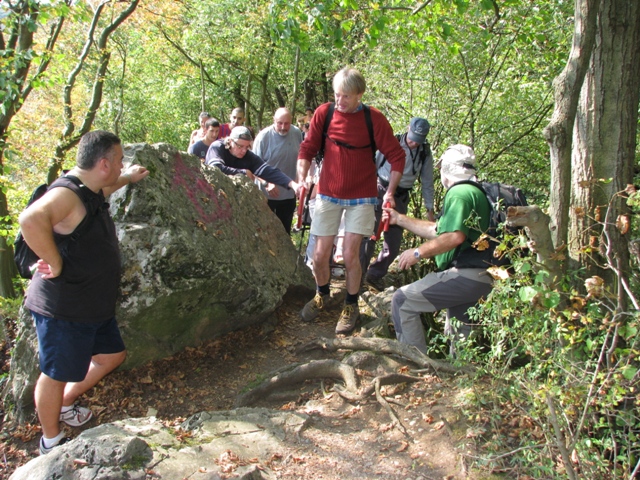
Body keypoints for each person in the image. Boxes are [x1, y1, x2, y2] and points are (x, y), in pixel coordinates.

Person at [19, 130, 149, 455]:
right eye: (119, 161)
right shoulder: (67, 194)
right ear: (103, 163)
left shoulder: (91, 187)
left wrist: (129, 177)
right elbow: (31, 218)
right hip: (64, 308)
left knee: (112, 357)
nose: (122, 165)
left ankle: (64, 403)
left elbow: (107, 186)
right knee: (55, 374)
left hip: (92, 305)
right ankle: (51, 440)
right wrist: (54, 261)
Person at [296, 67, 405, 335]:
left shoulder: (373, 119)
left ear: (359, 95)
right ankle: (322, 294)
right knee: (320, 255)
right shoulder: (325, 113)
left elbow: (397, 155)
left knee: (349, 255)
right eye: (337, 95)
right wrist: (302, 177)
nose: (340, 102)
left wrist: (390, 191)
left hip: (362, 196)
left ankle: (351, 304)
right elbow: (308, 147)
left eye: (346, 96)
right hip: (327, 193)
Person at [387, 144, 494, 356]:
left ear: (447, 169)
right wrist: (398, 218)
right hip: (483, 278)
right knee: (460, 337)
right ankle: (462, 379)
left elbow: (454, 237)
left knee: (402, 301)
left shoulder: (459, 193)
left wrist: (417, 253)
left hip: (464, 276)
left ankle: (415, 364)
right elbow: (438, 231)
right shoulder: (476, 192)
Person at [361, 117, 435, 290]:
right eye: (412, 137)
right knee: (369, 235)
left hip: (401, 197)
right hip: (379, 190)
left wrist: (429, 209)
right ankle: (358, 276)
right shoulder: (392, 142)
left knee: (393, 244)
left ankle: (374, 274)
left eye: (418, 140)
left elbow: (427, 183)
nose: (413, 142)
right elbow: (373, 164)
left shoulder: (424, 152)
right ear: (408, 128)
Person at [205, 126, 300, 194]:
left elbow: (269, 171)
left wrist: (292, 184)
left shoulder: (248, 155)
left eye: (247, 147)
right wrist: (243, 172)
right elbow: (215, 168)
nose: (243, 151)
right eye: (240, 146)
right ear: (230, 141)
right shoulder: (217, 147)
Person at [253, 108, 303, 235]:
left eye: (287, 123)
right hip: (266, 195)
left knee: (284, 233)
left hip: (288, 194)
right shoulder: (263, 137)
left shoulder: (296, 133)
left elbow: (301, 158)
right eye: (280, 123)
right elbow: (253, 167)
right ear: (273, 121)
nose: (283, 127)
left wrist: (300, 180)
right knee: (265, 232)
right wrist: (266, 183)